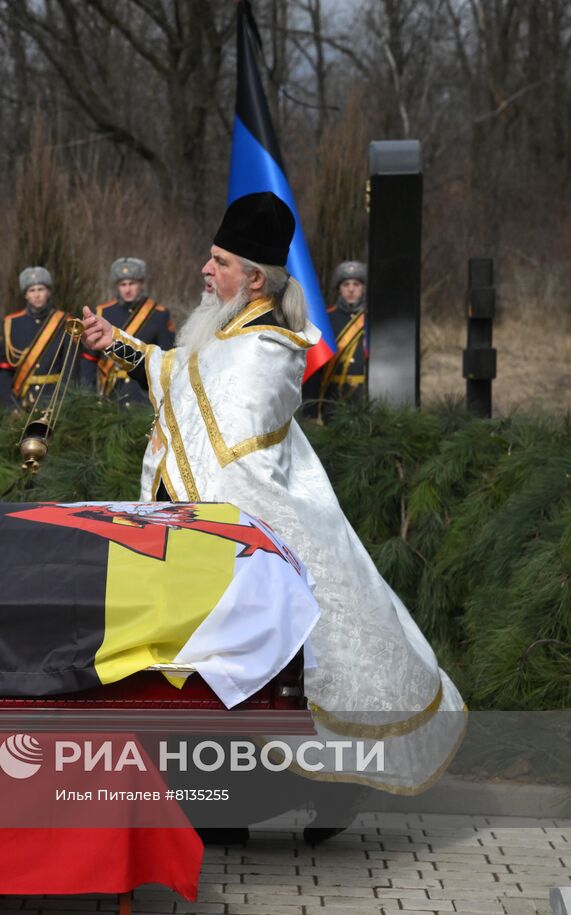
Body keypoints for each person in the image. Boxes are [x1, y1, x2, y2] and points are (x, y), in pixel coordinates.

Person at [80, 192, 464, 835]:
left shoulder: (270, 347)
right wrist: (114, 345)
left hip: (249, 530)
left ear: (255, 279)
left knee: (283, 669)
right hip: (200, 530)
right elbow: (176, 376)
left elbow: (230, 444)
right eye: (209, 256)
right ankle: (222, 805)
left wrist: (198, 513)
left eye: (220, 261)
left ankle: (329, 791)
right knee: (210, 674)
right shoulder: (222, 328)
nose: (206, 270)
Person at [80, 257, 175, 406]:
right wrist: (89, 397)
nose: (127, 289)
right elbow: (90, 359)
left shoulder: (159, 314)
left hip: (144, 397)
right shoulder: (103, 312)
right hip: (112, 396)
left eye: (132, 283)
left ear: (141, 283)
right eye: (123, 284)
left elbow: (168, 359)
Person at [0, 267, 86, 409]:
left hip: (53, 400)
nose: (37, 295)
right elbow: (4, 369)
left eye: (41, 289)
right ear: (26, 295)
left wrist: (64, 404)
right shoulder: (12, 323)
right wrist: (10, 405)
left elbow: (70, 370)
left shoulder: (65, 322)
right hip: (21, 402)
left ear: (48, 292)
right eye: (32, 290)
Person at [303, 260, 368, 420]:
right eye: (346, 284)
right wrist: (311, 410)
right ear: (339, 289)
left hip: (364, 399)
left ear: (363, 288)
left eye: (356, 284)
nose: (351, 289)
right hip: (332, 398)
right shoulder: (326, 320)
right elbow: (315, 366)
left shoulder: (372, 321)